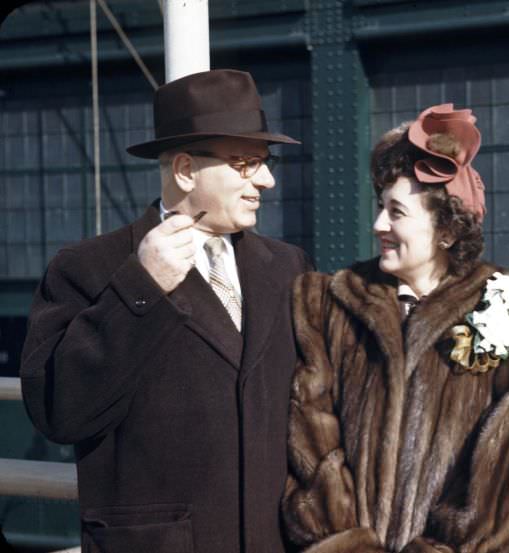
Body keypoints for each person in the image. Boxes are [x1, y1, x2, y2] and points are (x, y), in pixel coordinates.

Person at [20, 69, 310, 553]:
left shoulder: (287, 266)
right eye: (245, 163)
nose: (267, 179)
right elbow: (58, 412)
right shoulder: (89, 267)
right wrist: (141, 286)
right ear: (183, 170)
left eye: (265, 161)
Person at [282, 104, 509, 553]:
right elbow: (310, 443)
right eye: (380, 208)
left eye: (396, 212)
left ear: (447, 230)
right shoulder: (330, 302)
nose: (378, 225)